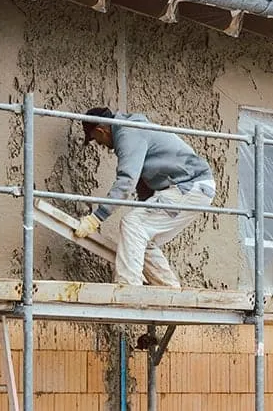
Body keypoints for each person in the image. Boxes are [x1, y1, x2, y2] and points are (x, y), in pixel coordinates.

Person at [75, 107, 216, 287]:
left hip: (190, 186)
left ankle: (128, 287)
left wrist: (97, 218)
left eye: (96, 139)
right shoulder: (131, 131)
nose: (100, 144)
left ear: (100, 130)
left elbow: (127, 180)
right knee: (143, 238)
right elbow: (144, 184)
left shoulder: (128, 133)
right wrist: (145, 205)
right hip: (194, 188)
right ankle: (170, 291)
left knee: (133, 224)